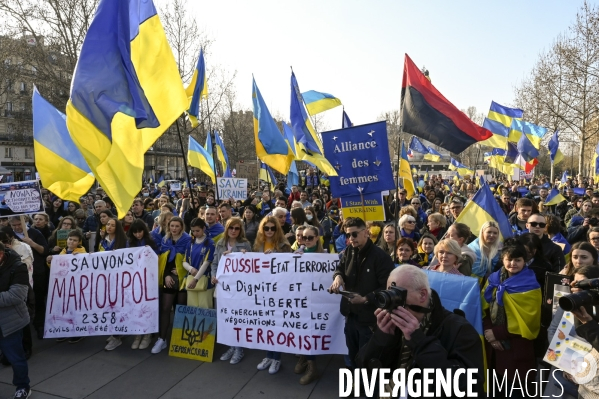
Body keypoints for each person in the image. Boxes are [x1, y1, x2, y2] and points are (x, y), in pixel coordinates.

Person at [356, 265, 485, 397]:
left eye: (397, 293)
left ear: (422, 295)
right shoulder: (394, 325)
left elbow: (469, 386)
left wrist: (419, 341)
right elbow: (366, 369)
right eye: (389, 292)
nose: (391, 302)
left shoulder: (459, 329)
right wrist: (382, 338)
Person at [329, 217, 395, 367]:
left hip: (370, 319)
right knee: (352, 356)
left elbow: (388, 287)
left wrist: (365, 298)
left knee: (366, 359)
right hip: (350, 315)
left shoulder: (380, 257)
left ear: (366, 232)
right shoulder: (349, 251)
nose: (350, 238)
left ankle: (366, 388)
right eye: (347, 235)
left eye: (354, 234)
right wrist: (338, 277)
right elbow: (339, 268)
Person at [482, 239, 541, 397]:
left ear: (524, 261)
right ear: (503, 260)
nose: (513, 263)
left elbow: (528, 321)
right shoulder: (493, 279)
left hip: (516, 349)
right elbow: (483, 309)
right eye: (509, 259)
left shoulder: (531, 284)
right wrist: (489, 332)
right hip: (493, 348)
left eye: (518, 260)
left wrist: (497, 334)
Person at [547, 265, 599, 398]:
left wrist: (588, 323)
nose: (579, 291)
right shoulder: (570, 303)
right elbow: (553, 330)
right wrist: (567, 364)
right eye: (576, 286)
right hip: (578, 378)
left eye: (584, 287)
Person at [253, 216, 292, 374]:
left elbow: (290, 266)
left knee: (277, 324)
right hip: (263, 289)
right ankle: (268, 355)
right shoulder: (257, 245)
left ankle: (277, 358)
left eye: (272, 228)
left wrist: (276, 254)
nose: (269, 231)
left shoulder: (284, 245)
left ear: (277, 230)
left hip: (279, 290)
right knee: (266, 324)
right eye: (266, 228)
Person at [211, 219, 252, 365]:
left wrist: (244, 255)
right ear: (227, 229)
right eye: (231, 228)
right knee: (225, 318)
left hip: (238, 289)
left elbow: (251, 266)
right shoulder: (220, 243)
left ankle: (239, 349)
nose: (233, 231)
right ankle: (231, 346)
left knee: (238, 318)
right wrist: (213, 276)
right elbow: (214, 263)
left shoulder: (245, 244)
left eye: (237, 228)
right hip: (223, 288)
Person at [151, 217, 191, 354]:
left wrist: (181, 269)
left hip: (183, 278)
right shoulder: (165, 240)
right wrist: (167, 274)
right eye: (172, 226)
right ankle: (162, 339)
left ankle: (180, 338)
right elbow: (163, 259)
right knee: (165, 308)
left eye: (177, 226)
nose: (174, 229)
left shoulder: (187, 239)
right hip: (169, 278)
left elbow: (190, 258)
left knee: (181, 308)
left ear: (181, 227)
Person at [0, 242, 32, 398]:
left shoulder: (18, 267)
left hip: (10, 322)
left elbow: (16, 296)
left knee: (16, 358)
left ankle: (22, 386)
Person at [9, 216, 48, 340]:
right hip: (19, 275)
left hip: (37, 273)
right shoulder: (9, 236)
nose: (16, 227)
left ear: (24, 222)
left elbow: (44, 251)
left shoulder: (34, 233)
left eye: (18, 224)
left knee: (38, 299)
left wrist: (31, 243)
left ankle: (40, 325)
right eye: (13, 225)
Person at [126, 219, 157, 350]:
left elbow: (157, 257)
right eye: (135, 232)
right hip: (135, 280)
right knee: (136, 307)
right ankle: (138, 334)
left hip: (149, 279)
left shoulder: (151, 242)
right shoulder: (130, 243)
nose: (138, 235)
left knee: (148, 307)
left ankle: (147, 334)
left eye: (140, 232)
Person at [183, 218, 215, 309]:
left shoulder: (210, 243)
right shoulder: (190, 243)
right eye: (193, 231)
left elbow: (206, 263)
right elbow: (184, 261)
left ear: (204, 228)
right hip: (191, 278)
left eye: (198, 230)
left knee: (205, 308)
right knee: (192, 307)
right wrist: (190, 269)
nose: (195, 233)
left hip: (205, 280)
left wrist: (195, 279)